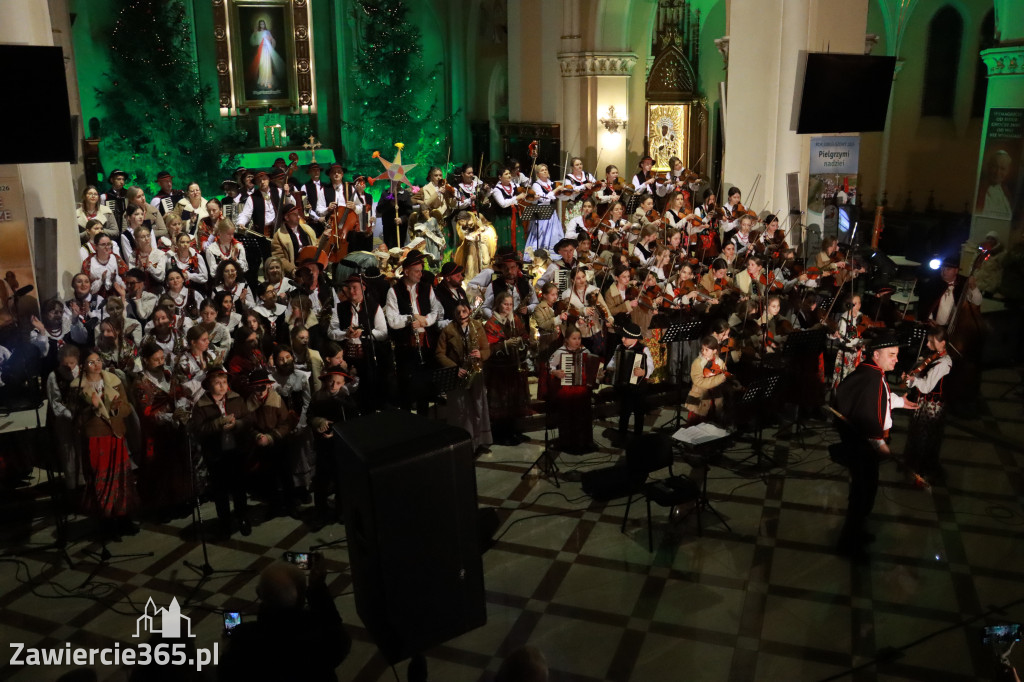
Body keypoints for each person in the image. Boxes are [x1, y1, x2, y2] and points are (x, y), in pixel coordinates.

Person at [833, 330, 919, 563]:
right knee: (862, 496)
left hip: (862, 446)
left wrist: (900, 402)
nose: (896, 360)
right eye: (892, 354)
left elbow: (881, 398)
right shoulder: (872, 379)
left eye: (897, 355)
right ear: (877, 354)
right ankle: (848, 544)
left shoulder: (870, 373)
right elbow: (870, 418)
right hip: (864, 448)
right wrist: (880, 445)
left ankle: (857, 533)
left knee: (865, 492)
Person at [218, 559, 351, 682]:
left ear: (259, 593)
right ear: (302, 598)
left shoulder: (243, 637)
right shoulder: (320, 635)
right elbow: (337, 633)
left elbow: (226, 674)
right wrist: (318, 589)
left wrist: (227, 648)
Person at [74, 349, 138, 540]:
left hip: (115, 435)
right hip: (95, 438)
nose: (96, 365)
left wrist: (116, 408)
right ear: (83, 366)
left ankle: (124, 517)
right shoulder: (77, 386)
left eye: (98, 360)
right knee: (101, 480)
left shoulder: (113, 380)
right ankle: (106, 521)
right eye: (91, 362)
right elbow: (75, 418)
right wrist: (92, 407)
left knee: (120, 478)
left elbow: (127, 407)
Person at [384, 251, 441, 414]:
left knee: (425, 385)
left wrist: (425, 321)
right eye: (417, 271)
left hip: (425, 343)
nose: (420, 274)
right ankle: (406, 419)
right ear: (406, 271)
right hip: (405, 346)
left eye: (421, 271)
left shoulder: (427, 288)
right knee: (406, 386)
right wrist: (411, 319)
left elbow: (436, 311)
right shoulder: (394, 291)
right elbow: (392, 320)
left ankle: (424, 418)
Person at [436, 300, 492, 454]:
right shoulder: (448, 330)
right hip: (458, 374)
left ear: (469, 311)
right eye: (458, 312)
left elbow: (486, 349)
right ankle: (465, 443)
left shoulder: (477, 326)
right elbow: (439, 354)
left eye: (464, 311)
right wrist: (454, 368)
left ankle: (480, 441)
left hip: (475, 372)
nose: (461, 315)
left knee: (478, 406)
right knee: (461, 410)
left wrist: (481, 354)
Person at [901, 326, 952, 484]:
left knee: (925, 438)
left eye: (931, 342)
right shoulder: (934, 357)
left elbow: (927, 386)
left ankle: (920, 471)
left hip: (932, 406)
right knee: (916, 434)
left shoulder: (943, 363)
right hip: (924, 402)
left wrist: (914, 380)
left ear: (943, 343)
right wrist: (910, 380)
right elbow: (920, 380)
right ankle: (912, 467)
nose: (928, 345)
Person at [484, 291, 531, 446]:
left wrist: (520, 341)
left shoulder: (515, 319)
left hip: (514, 367)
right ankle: (501, 434)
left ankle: (514, 431)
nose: (508, 307)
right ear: (498, 305)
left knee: (514, 401)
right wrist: (505, 344)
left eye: (511, 304)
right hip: (499, 371)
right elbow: (488, 347)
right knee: (502, 403)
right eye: (505, 304)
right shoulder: (491, 323)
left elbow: (525, 335)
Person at [547, 326, 598, 453]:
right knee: (567, 416)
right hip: (566, 389)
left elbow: (593, 367)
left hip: (582, 390)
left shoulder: (585, 351)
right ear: (567, 340)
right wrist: (555, 372)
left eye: (579, 338)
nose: (577, 341)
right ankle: (567, 442)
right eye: (574, 339)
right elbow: (549, 365)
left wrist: (598, 375)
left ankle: (583, 442)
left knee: (583, 416)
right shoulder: (560, 352)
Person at [605, 321, 653, 442]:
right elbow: (612, 363)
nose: (622, 339)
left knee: (639, 413)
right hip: (625, 387)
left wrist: (643, 372)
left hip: (639, 387)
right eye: (622, 336)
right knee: (624, 412)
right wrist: (608, 369)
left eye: (625, 337)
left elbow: (650, 366)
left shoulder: (643, 349)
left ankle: (638, 437)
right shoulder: (619, 348)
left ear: (634, 339)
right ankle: (622, 435)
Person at [270, 203, 317, 276]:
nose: (298, 217)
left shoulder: (307, 230)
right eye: (295, 214)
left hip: (311, 266)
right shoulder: (278, 236)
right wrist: (293, 270)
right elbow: (279, 258)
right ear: (287, 217)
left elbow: (316, 246)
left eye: (298, 214)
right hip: (294, 271)